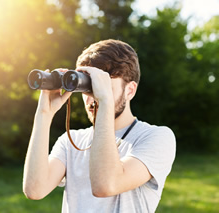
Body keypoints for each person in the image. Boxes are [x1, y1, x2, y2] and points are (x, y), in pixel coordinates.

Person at [23, 39, 176, 213]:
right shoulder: (71, 141)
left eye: (103, 87)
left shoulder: (157, 137)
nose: (93, 97)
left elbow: (106, 185)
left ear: (130, 90)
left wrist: (104, 101)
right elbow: (35, 189)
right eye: (88, 88)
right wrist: (44, 114)